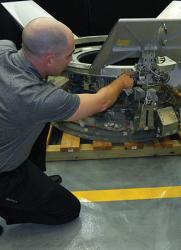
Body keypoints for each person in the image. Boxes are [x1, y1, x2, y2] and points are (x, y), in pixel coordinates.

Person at [0, 17, 134, 229]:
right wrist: (122, 81)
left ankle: (34, 175)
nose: (71, 60)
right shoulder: (37, 98)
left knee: (39, 120)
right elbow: (102, 102)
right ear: (50, 59)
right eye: (69, 55)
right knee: (67, 209)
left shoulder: (4, 47)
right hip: (5, 173)